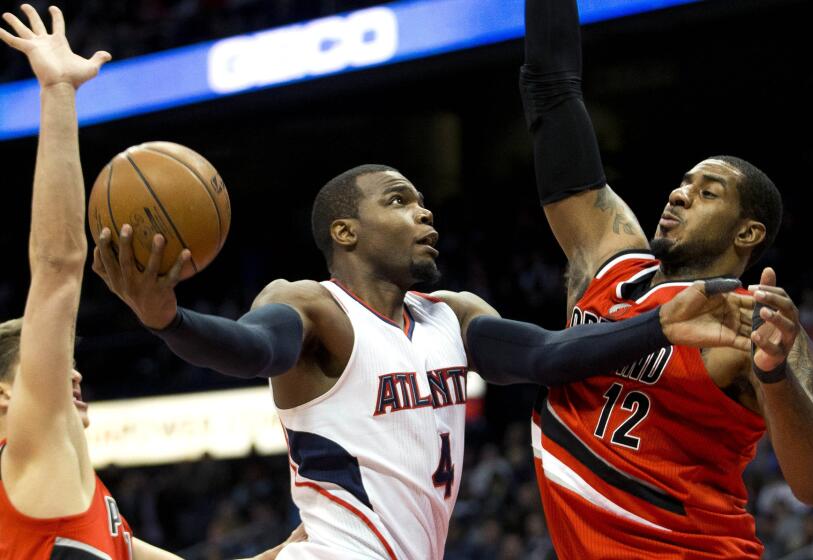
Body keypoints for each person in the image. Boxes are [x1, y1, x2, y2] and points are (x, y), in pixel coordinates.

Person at [94, 156, 755, 558]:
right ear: (345, 231)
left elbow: (551, 356)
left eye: (422, 200)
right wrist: (169, 320)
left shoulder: (454, 314)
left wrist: (659, 325)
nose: (425, 212)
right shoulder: (313, 308)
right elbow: (249, 349)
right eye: (400, 201)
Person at [518, 0, 813, 557]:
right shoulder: (608, 260)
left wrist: (773, 373)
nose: (678, 193)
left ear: (747, 234)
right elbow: (551, 89)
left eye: (706, 192)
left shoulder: (751, 323)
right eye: (683, 183)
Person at [0, 6, 287, 559]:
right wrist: (58, 93)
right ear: (6, 395)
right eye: (50, 363)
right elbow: (58, 267)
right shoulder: (32, 457)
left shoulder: (87, 502)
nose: (73, 370)